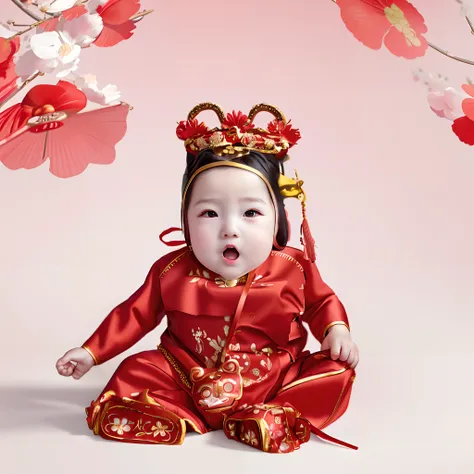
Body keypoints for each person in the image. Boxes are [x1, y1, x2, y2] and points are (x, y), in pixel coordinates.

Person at [56, 103, 360, 453]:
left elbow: (322, 302)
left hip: (271, 378)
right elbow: (134, 314)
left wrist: (336, 330)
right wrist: (91, 352)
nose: (229, 229)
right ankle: (168, 413)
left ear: (278, 219)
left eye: (251, 212)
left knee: (336, 369)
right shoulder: (172, 271)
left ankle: (271, 414)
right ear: (186, 220)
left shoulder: (292, 267)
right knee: (135, 369)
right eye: (210, 213)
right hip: (187, 375)